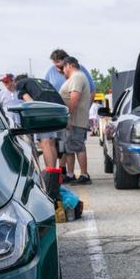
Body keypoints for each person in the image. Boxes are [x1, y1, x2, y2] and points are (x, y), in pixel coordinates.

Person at [59, 56, 92, 184]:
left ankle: (84, 175)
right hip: (74, 120)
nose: (63, 71)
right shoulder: (76, 77)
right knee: (70, 149)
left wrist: (68, 118)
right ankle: (70, 174)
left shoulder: (77, 77)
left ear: (69, 65)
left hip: (75, 120)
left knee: (78, 147)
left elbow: (74, 99)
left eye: (63, 68)